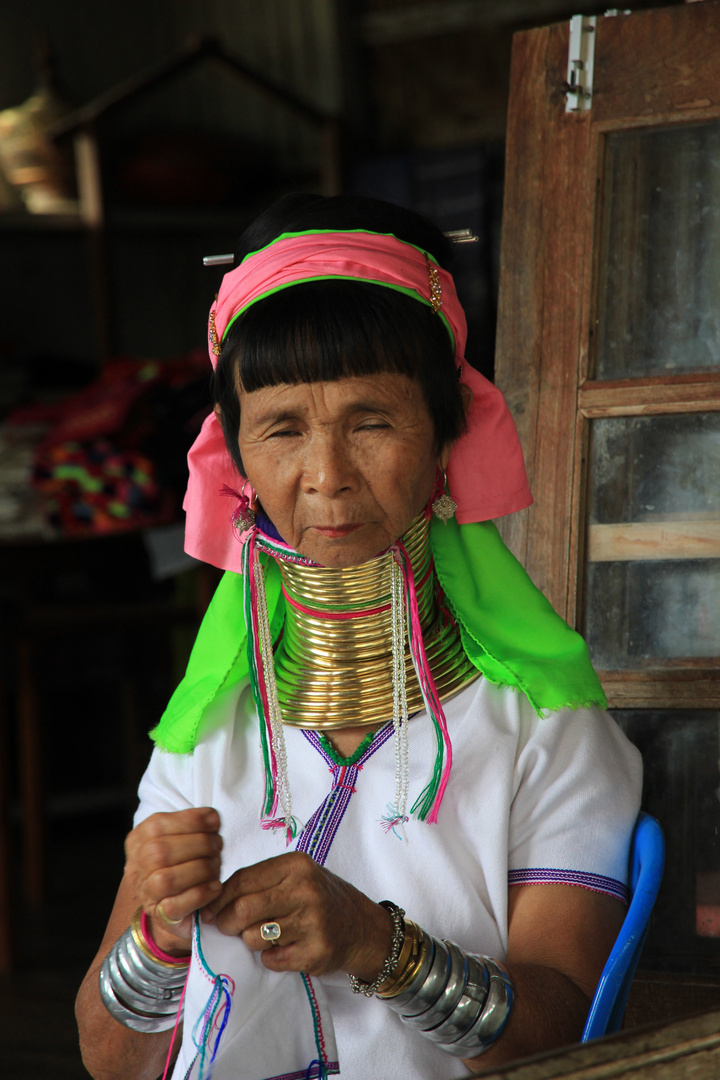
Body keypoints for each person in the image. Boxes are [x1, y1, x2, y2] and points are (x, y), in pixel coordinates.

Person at [76, 194, 642, 1080]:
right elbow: (111, 1062)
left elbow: (567, 1033)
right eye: (282, 429)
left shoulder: (547, 733)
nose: (327, 477)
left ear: (446, 433)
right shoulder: (206, 737)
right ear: (236, 461)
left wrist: (379, 947)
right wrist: (155, 935)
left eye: (371, 420)